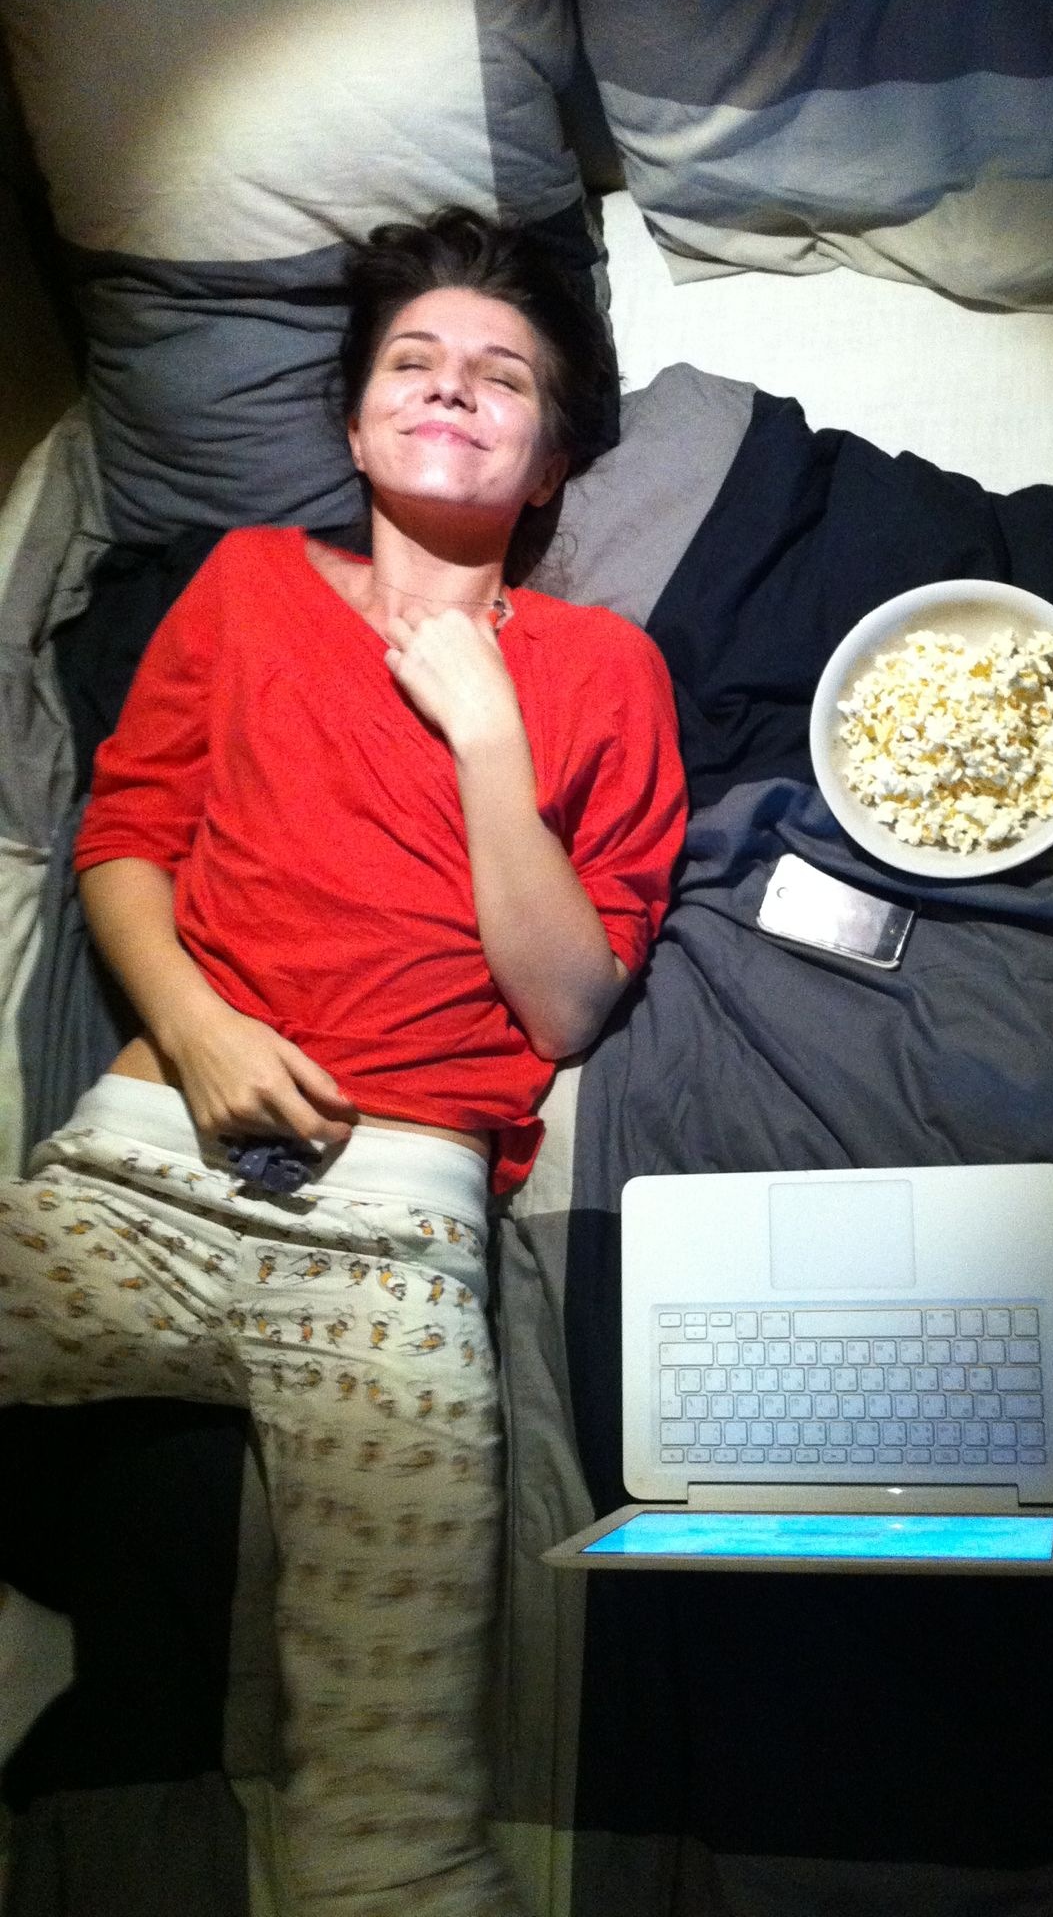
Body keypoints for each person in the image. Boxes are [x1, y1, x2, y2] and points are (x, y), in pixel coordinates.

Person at [0, 208, 687, 1914]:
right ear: (357, 420)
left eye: (501, 377)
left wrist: (486, 726)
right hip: (142, 1167)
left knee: (395, 1828)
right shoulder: (244, 584)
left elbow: (566, 1007)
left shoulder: (606, 670)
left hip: (390, 1243)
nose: (452, 387)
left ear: (545, 465)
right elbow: (124, 837)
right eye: (414, 362)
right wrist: (195, 1022)